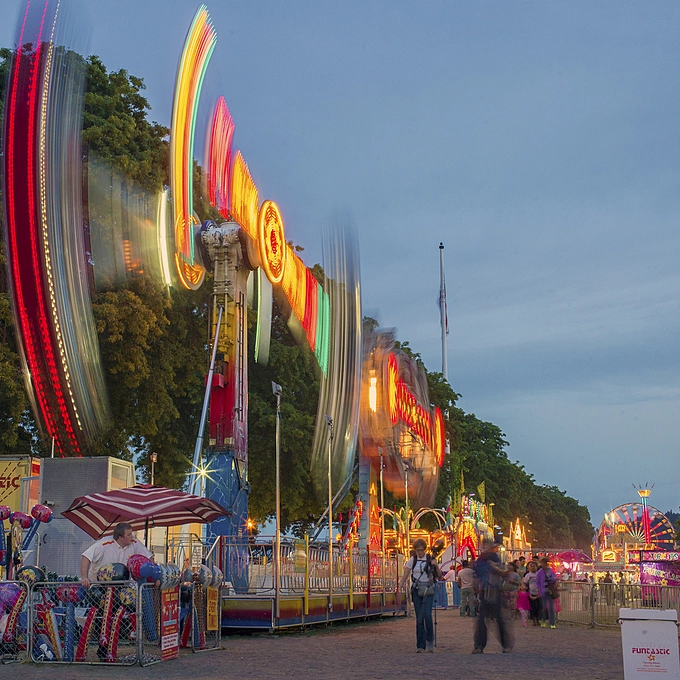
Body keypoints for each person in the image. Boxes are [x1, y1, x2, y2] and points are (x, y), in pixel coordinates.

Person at [398, 539, 442, 653]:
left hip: (428, 589)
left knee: (427, 615)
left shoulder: (430, 559)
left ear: (425, 549)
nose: (420, 552)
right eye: (417, 550)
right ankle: (420, 645)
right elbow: (406, 573)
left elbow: (439, 575)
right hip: (417, 590)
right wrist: (400, 585)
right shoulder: (413, 560)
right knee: (419, 618)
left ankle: (430, 640)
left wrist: (436, 566)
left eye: (421, 550)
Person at [81, 522, 152, 587]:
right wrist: (84, 577)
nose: (132, 536)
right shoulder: (104, 544)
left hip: (124, 587)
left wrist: (154, 577)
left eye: (131, 533)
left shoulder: (134, 543)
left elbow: (149, 558)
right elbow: (86, 556)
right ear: (120, 537)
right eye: (129, 535)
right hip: (99, 586)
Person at [472, 540, 512, 654]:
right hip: (485, 590)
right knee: (482, 620)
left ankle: (506, 645)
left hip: (495, 590)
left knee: (499, 619)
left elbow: (503, 573)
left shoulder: (495, 558)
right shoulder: (481, 560)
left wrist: (495, 568)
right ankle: (479, 645)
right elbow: (477, 574)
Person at [536, 557, 558, 628]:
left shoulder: (551, 571)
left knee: (551, 607)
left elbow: (554, 579)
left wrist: (555, 583)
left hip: (550, 590)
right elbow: (538, 582)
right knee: (544, 607)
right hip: (543, 591)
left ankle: (552, 623)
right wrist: (538, 590)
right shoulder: (540, 572)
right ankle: (543, 620)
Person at [523, 561, 541, 626]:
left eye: (534, 566)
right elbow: (525, 584)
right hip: (531, 593)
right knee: (533, 607)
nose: (532, 568)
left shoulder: (539, 574)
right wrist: (528, 593)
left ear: (537, 567)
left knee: (538, 607)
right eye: (531, 566)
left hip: (538, 593)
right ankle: (534, 620)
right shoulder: (528, 575)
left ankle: (538, 619)